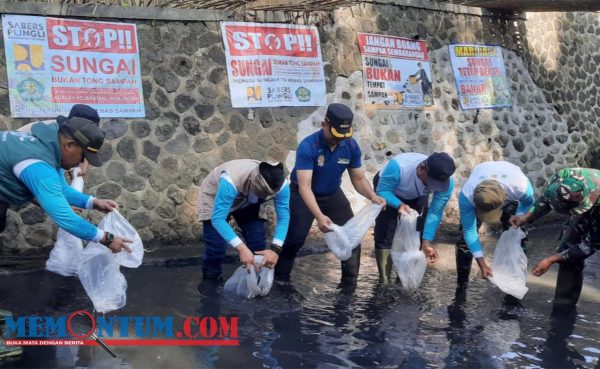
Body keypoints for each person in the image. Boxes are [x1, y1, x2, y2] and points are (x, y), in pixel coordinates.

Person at [274, 103, 386, 287]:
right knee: (294, 239)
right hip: (302, 194)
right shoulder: (308, 146)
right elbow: (305, 186)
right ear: (324, 124)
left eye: (343, 136)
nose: (338, 140)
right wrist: (319, 216)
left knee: (351, 238)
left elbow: (358, 179)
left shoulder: (350, 146)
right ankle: (281, 280)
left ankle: (349, 285)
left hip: (332, 193)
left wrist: (372, 196)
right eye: (335, 134)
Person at [511, 168, 600, 305]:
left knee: (575, 253)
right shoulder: (562, 178)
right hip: (588, 200)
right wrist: (525, 217)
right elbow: (546, 201)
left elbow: (589, 246)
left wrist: (550, 260)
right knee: (568, 251)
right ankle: (563, 303)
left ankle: (567, 308)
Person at [197, 160, 290, 281]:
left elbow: (284, 217)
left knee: (257, 243)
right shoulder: (230, 179)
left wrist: (276, 249)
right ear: (252, 182)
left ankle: (254, 278)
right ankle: (211, 278)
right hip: (215, 198)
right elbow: (218, 219)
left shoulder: (282, 185)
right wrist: (241, 248)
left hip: (249, 202)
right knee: (217, 247)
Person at [374, 152, 455, 284]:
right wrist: (398, 204)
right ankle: (384, 281)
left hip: (417, 195)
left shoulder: (446, 180)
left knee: (416, 234)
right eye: (431, 183)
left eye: (437, 185)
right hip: (390, 191)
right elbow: (382, 191)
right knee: (386, 232)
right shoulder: (398, 167)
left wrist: (427, 241)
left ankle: (402, 280)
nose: (434, 188)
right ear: (421, 169)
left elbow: (435, 212)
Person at [456, 161, 535, 287]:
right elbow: (469, 232)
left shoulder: (521, 188)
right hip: (483, 175)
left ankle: (515, 282)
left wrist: (520, 216)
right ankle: (462, 284)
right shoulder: (467, 196)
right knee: (463, 241)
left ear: (505, 197)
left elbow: (529, 204)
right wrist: (482, 264)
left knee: (518, 234)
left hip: (510, 183)